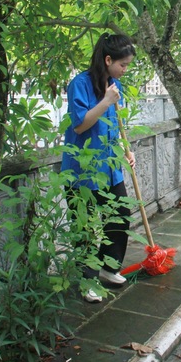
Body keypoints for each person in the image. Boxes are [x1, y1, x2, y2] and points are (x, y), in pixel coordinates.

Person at [61, 33, 136, 303]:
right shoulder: (79, 85)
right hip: (82, 171)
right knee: (85, 228)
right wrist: (105, 101)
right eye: (123, 65)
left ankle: (108, 268)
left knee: (120, 214)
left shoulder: (115, 85)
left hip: (110, 166)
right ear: (108, 59)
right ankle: (86, 281)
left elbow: (118, 123)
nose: (124, 70)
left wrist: (126, 150)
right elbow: (80, 125)